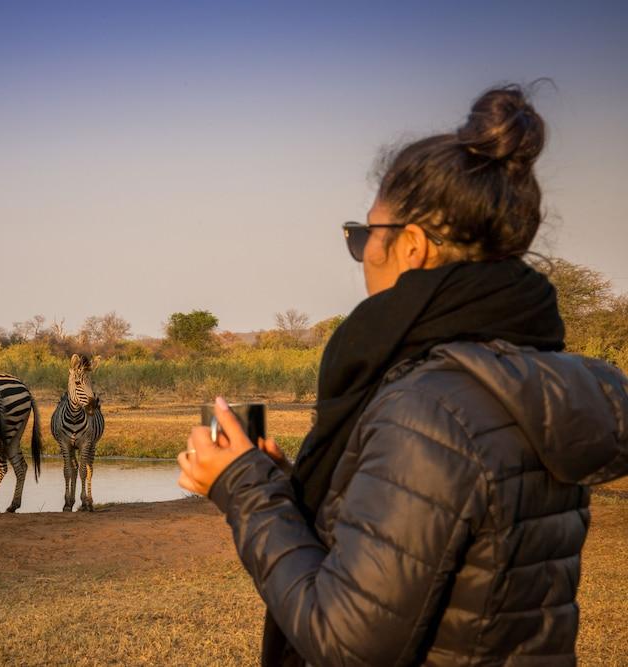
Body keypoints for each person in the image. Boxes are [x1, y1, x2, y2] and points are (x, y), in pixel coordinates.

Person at [177, 84, 628, 666]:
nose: (361, 253)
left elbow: (349, 641)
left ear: (411, 246)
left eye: (364, 235)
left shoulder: (430, 407)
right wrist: (290, 486)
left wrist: (243, 487)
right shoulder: (530, 382)